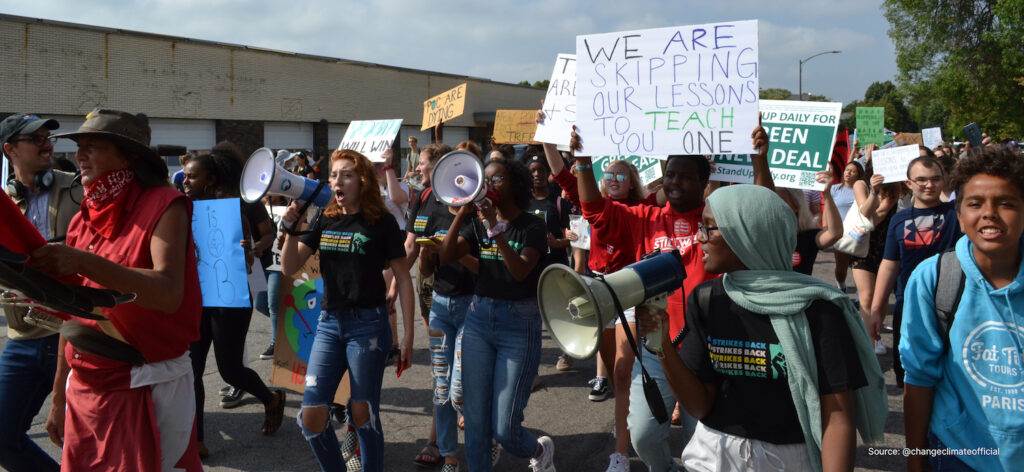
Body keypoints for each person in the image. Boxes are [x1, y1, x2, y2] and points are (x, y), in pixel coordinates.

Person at [637, 183, 886, 471]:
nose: (699, 238)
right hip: (713, 456)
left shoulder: (820, 310)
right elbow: (699, 406)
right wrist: (663, 346)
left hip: (791, 460)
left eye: (709, 228)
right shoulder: (707, 299)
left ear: (747, 235)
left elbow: (837, 416)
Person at [31, 108, 202, 471]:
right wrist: (59, 396)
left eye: (92, 147)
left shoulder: (164, 205)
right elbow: (73, 317)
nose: (79, 156)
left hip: (145, 384)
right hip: (86, 388)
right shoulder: (83, 218)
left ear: (129, 156)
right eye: (79, 147)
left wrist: (85, 263)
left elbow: (169, 293)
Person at [281, 149, 415, 472]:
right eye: (333, 175)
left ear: (362, 181)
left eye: (346, 174)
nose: (337, 181)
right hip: (329, 324)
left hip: (368, 326)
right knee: (311, 418)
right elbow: (290, 266)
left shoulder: (381, 222)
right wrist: (289, 229)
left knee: (362, 413)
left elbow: (403, 277)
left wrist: (408, 335)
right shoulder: (325, 218)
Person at [900, 145, 1024, 472]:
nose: (989, 213)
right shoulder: (936, 278)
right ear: (959, 215)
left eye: (1006, 203)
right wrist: (916, 459)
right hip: (960, 456)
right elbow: (919, 375)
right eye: (975, 203)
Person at [438, 156, 555, 472]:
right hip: (479, 317)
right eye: (484, 180)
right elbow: (447, 254)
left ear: (514, 185)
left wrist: (495, 228)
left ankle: (539, 451)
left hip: (519, 323)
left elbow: (519, 271)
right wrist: (462, 212)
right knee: (475, 420)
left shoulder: (532, 225)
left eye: (496, 180)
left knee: (505, 428)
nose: (486, 186)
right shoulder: (475, 221)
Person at [181, 150, 286, 457]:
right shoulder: (182, 206)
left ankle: (271, 400)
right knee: (192, 369)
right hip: (196, 295)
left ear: (211, 179)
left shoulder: (241, 203)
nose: (185, 181)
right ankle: (196, 440)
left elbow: (269, 234)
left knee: (229, 369)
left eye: (192, 176)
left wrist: (253, 245)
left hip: (231, 292)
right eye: (184, 175)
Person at [0, 113, 80, 472]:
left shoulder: (80, 189)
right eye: (35, 139)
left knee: (90, 441)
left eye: (49, 137)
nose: (47, 143)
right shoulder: (4, 203)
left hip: (76, 334)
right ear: (10, 149)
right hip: (24, 336)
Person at [869, 156, 962, 388]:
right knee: (910, 374)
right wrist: (876, 309)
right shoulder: (899, 220)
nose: (928, 185)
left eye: (935, 179)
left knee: (951, 373)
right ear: (908, 183)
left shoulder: (958, 214)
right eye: (921, 180)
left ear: (943, 181)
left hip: (954, 306)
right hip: (909, 305)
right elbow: (889, 264)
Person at [831, 161, 863, 290]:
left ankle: (859, 295)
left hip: (858, 233)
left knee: (859, 266)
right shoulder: (834, 189)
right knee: (841, 266)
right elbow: (828, 209)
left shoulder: (862, 190)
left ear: (858, 175)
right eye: (847, 170)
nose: (848, 173)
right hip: (840, 234)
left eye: (852, 171)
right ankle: (841, 287)